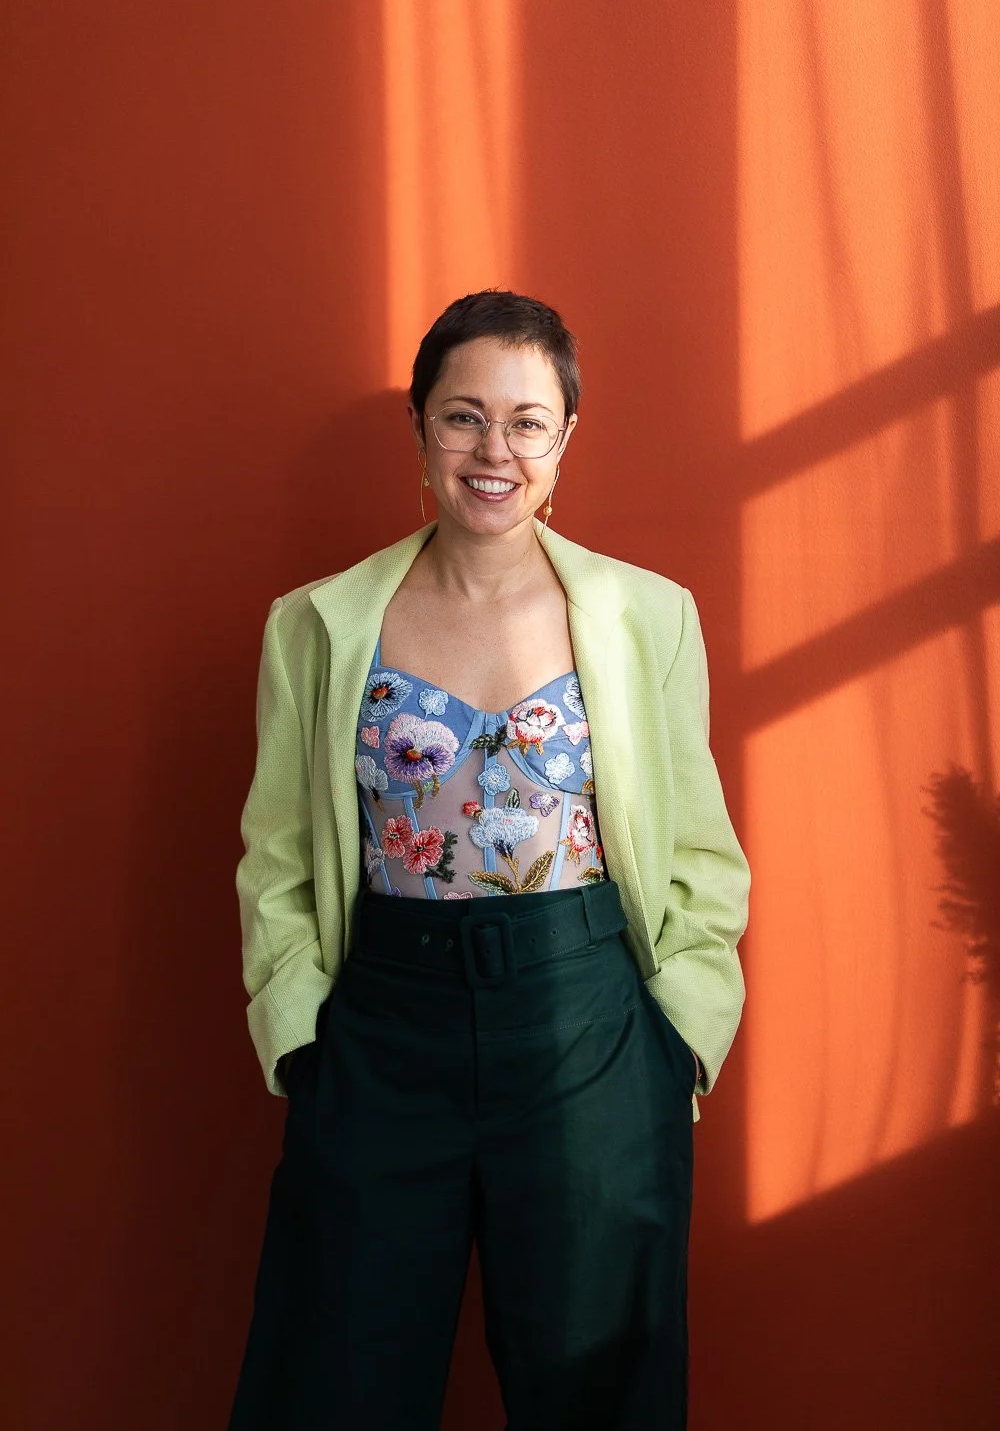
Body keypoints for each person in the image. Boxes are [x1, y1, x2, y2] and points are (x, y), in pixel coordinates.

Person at [228, 290, 750, 1431]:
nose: (493, 451)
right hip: (379, 1032)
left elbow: (703, 849)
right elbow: (274, 857)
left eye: (525, 420)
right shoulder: (315, 625)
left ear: (566, 438)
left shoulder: (646, 616)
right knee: (336, 1377)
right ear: (417, 427)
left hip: (593, 1028)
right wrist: (302, 1038)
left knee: (600, 1386)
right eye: (462, 417)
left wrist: (681, 1037)